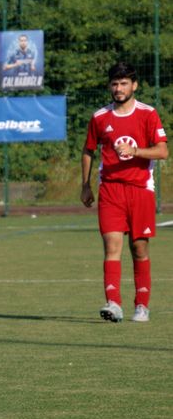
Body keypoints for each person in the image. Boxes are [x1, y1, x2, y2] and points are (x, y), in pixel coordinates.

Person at [80, 62, 168, 323]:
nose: (118, 89)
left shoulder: (148, 114)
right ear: (110, 86)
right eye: (115, 84)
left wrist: (137, 151)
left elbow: (163, 151)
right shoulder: (99, 117)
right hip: (110, 190)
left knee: (139, 248)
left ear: (134, 85)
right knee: (112, 245)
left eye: (124, 83)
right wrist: (85, 185)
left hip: (140, 190)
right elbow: (88, 151)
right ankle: (113, 303)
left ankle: (141, 305)